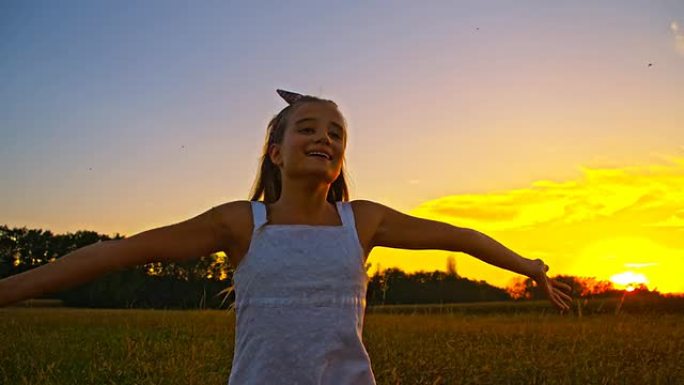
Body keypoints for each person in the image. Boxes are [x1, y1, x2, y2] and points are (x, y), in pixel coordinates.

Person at [0, 89, 573, 384]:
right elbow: (120, 252)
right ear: (276, 151)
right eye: (308, 127)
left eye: (336, 133)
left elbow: (458, 235)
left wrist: (528, 266)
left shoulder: (362, 221)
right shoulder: (241, 223)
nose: (325, 138)